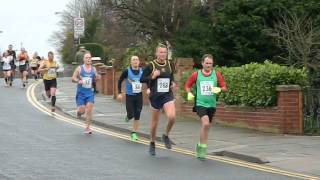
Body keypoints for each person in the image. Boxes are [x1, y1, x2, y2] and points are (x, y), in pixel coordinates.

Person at [184, 54, 227, 160]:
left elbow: (224, 87)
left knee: (206, 127)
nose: (208, 65)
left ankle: (200, 144)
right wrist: (189, 93)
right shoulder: (196, 74)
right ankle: (203, 149)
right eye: (206, 63)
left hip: (211, 105)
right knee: (206, 123)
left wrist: (220, 89)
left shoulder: (216, 74)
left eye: (210, 63)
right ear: (202, 63)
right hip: (200, 104)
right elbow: (187, 85)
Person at [140, 44, 176, 156]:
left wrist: (172, 83)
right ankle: (152, 143)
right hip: (155, 96)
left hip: (167, 95)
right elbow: (142, 79)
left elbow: (171, 76)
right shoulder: (151, 65)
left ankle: (165, 135)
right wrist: (152, 77)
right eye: (160, 52)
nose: (162, 54)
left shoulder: (170, 64)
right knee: (154, 123)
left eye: (164, 52)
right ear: (156, 53)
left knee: (172, 116)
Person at [72, 52, 101, 134]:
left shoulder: (93, 69)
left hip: (89, 92)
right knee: (82, 110)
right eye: (87, 58)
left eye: (89, 58)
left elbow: (95, 78)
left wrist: (98, 77)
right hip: (81, 93)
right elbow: (73, 78)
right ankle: (78, 112)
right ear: (84, 59)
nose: (88, 59)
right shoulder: (79, 68)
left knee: (89, 109)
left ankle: (87, 128)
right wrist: (79, 81)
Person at [117, 55, 143, 141]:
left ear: (139, 62)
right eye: (133, 60)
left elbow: (147, 80)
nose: (135, 61)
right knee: (131, 114)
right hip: (129, 96)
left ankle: (133, 133)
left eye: (137, 59)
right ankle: (128, 116)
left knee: (137, 115)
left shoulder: (142, 71)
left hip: (139, 95)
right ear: (131, 62)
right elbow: (120, 80)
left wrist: (149, 88)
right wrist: (119, 93)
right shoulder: (127, 71)